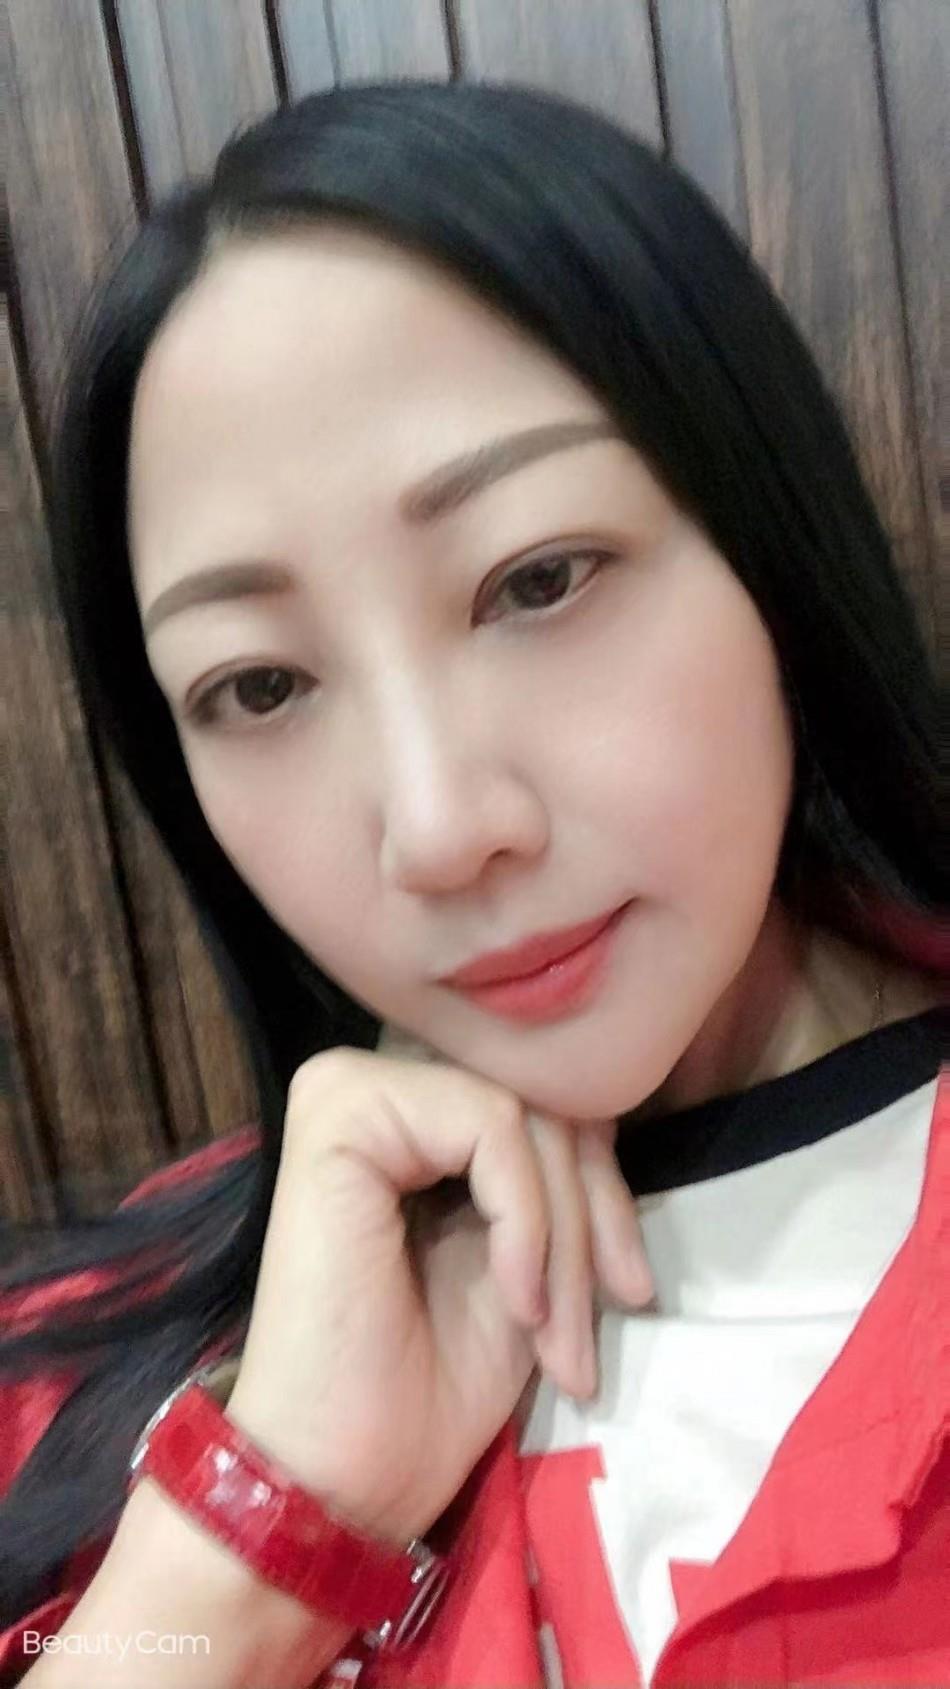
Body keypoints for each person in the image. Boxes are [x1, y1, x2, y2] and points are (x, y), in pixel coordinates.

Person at [1, 78, 946, 1689]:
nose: (438, 830)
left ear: (764, 539)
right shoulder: (70, 1361)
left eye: (537, 578)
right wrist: (256, 1536)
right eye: (258, 684)